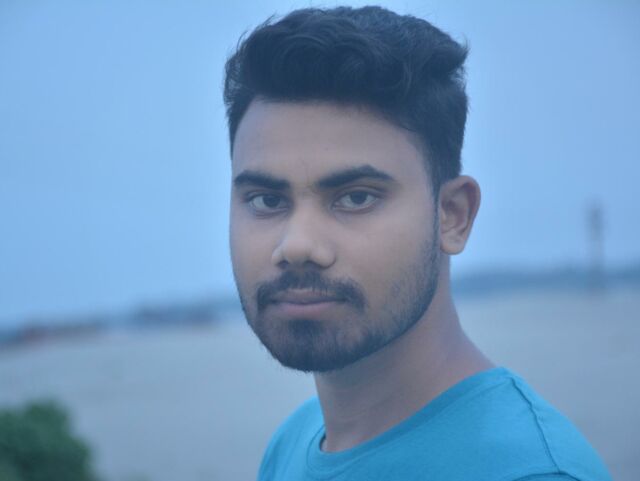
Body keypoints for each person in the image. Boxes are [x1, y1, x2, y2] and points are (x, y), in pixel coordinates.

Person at [223, 6, 612, 481]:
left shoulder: (530, 472)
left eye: (356, 197)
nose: (297, 244)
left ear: (453, 215)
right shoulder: (294, 441)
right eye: (266, 200)